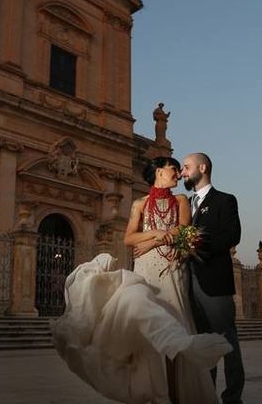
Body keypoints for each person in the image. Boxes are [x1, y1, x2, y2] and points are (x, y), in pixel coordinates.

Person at [53, 156, 229, 403]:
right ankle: (159, 393)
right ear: (158, 171)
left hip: (171, 269)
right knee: (150, 331)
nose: (178, 174)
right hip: (145, 270)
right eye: (173, 169)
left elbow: (183, 229)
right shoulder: (139, 204)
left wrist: (151, 241)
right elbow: (128, 238)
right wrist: (157, 234)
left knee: (176, 324)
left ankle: (179, 393)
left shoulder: (181, 200)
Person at [180, 153, 245, 404]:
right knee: (203, 342)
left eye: (187, 167)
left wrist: (197, 244)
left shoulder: (225, 200)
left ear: (203, 168)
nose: (183, 173)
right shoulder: (185, 202)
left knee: (227, 342)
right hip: (188, 283)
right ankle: (207, 395)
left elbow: (232, 236)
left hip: (214, 282)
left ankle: (232, 397)